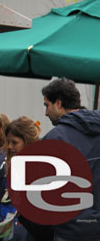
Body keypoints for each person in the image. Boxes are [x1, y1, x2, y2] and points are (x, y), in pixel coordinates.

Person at [39, 78, 100, 241]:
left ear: (58, 103)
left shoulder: (54, 139)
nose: (45, 113)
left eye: (47, 105)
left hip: (70, 228)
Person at [0, 117, 42, 241]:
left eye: (14, 143)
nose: (10, 147)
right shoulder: (15, 164)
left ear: (28, 142)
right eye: (8, 142)